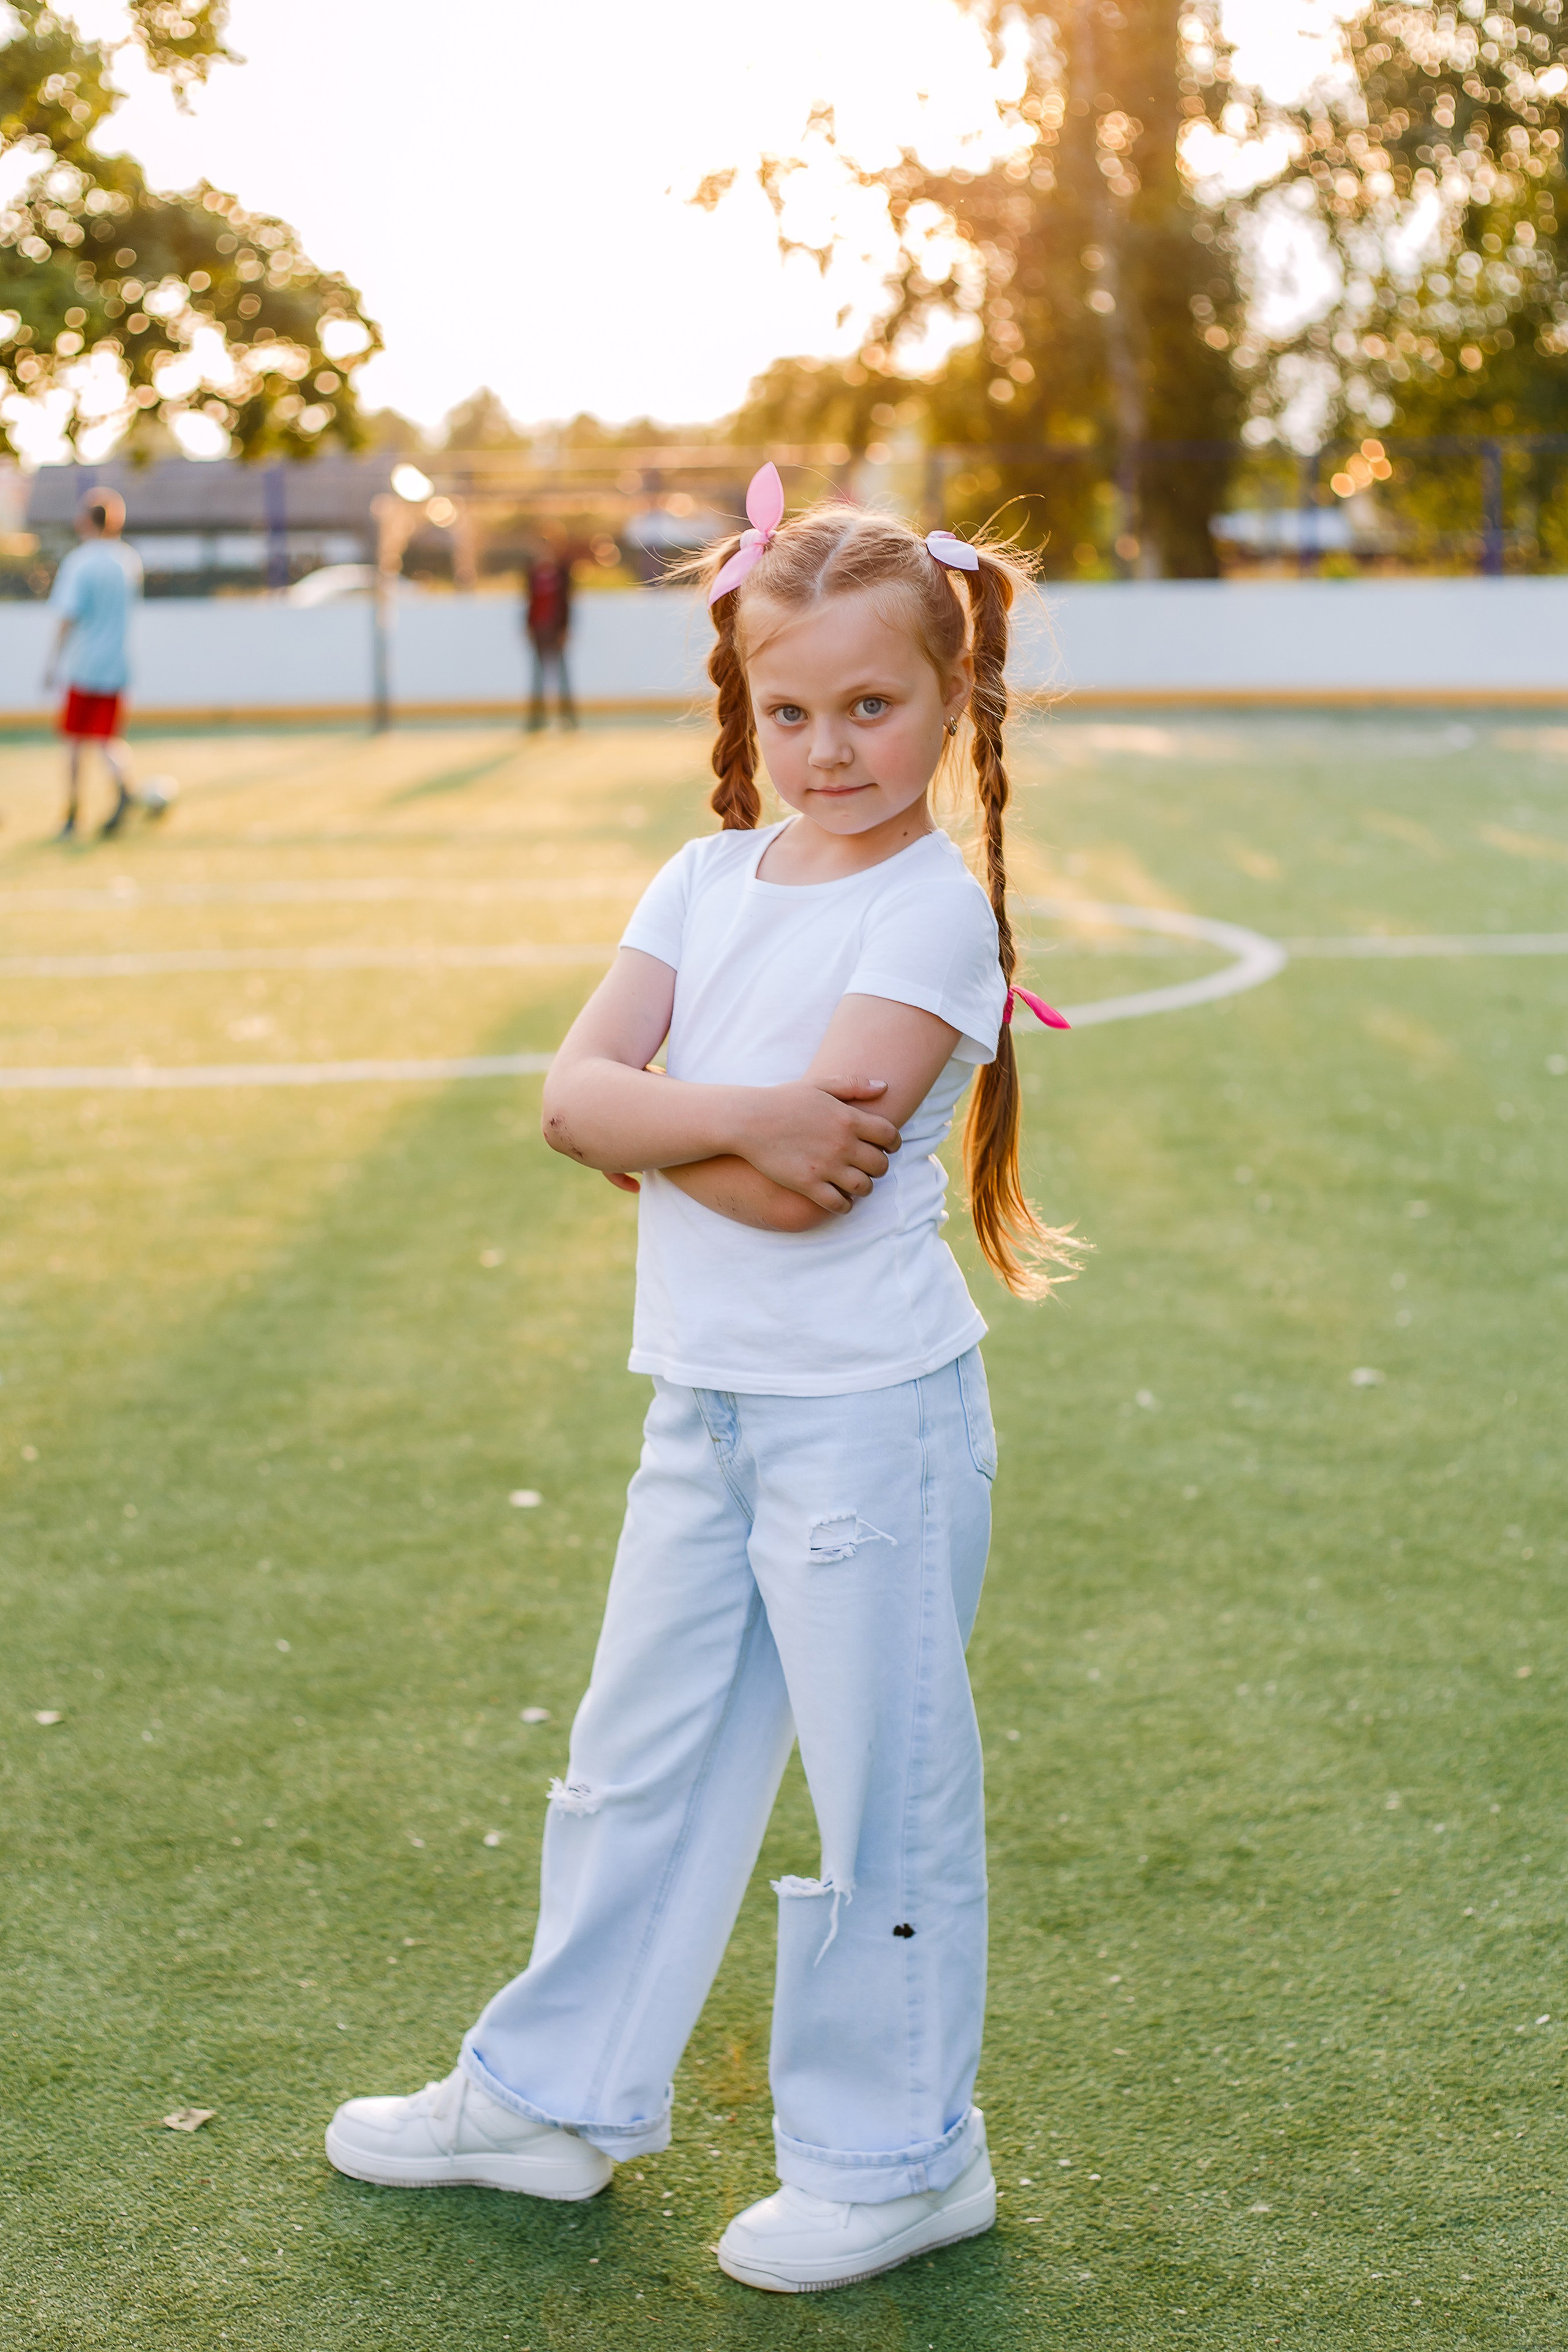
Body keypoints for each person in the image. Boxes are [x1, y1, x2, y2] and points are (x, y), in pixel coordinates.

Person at [325, 465, 1080, 2293]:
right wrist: (724, 1114)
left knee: (880, 1788)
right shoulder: (698, 874)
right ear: (745, 710)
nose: (827, 745)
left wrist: (662, 1124)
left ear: (950, 696)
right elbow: (580, 1098)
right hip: (708, 1404)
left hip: (865, 1422)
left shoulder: (927, 913)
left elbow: (814, 1183)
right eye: (789, 708)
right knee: (631, 1762)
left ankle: (899, 2153)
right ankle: (551, 2094)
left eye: (870, 705)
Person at [43, 489, 168, 840]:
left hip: (84, 665)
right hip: (116, 665)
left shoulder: (80, 562)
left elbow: (68, 616)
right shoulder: (127, 561)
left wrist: (52, 662)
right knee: (107, 739)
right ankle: (125, 790)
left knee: (73, 742)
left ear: (87, 520)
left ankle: (71, 815)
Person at [522, 533, 577, 731]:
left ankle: (568, 719)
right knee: (537, 677)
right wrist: (528, 626)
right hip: (539, 629)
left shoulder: (561, 573)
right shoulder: (532, 573)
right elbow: (529, 602)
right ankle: (536, 721)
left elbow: (567, 603)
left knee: (562, 677)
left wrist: (566, 628)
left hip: (556, 629)